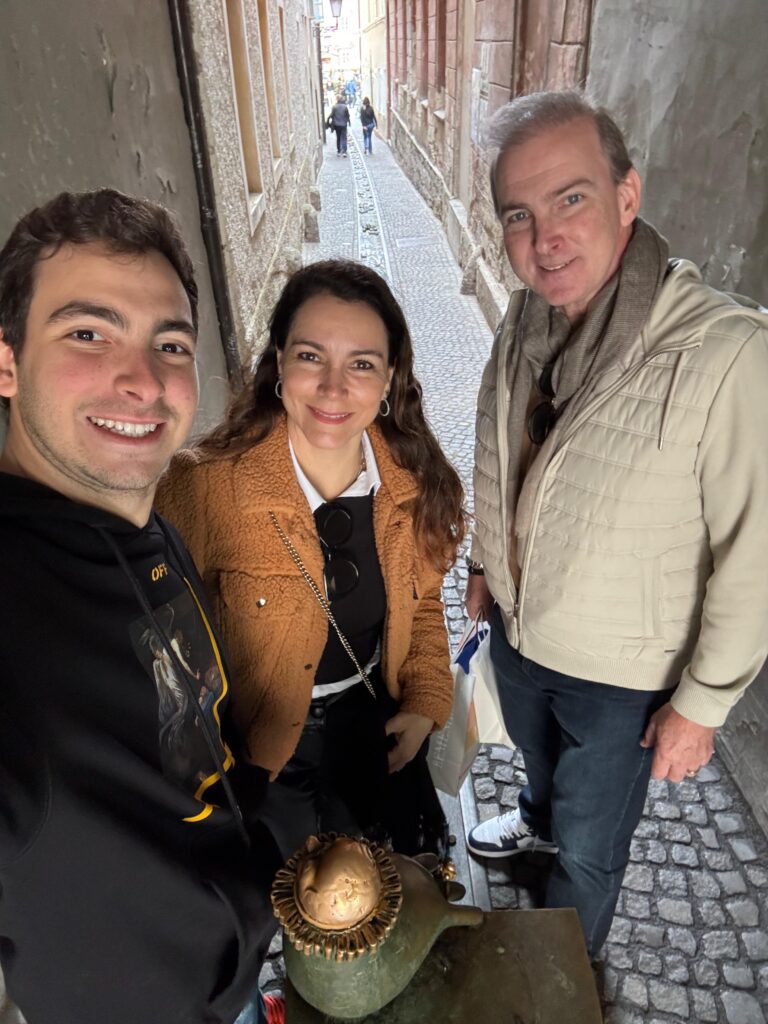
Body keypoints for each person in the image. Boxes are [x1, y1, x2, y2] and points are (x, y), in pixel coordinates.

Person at [464, 90, 768, 959]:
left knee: (590, 849)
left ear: (627, 195)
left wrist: (702, 704)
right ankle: (532, 821)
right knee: (537, 769)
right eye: (518, 214)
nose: (545, 238)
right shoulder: (525, 316)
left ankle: (556, 973)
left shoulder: (726, 351)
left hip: (622, 681)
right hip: (521, 633)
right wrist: (485, 561)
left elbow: (755, 549)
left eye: (571, 198)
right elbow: (496, 444)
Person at [0, 189, 283, 1024]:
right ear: (6, 364)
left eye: (170, 343)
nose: (143, 380)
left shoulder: (151, 531)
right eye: (87, 334)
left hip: (234, 978)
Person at [156, 259, 465, 861]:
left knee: (366, 881)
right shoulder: (203, 488)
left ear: (389, 379)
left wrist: (426, 702)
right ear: (279, 363)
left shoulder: (410, 485)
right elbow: (163, 649)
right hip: (260, 762)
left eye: (362, 364)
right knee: (281, 888)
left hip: (369, 732)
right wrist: (206, 768)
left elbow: (423, 601)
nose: (333, 387)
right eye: (310, 356)